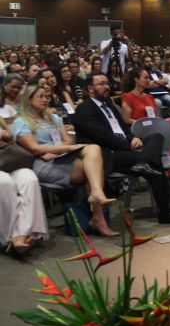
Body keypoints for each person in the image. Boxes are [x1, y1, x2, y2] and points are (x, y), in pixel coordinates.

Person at [72, 73, 170, 224]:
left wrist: (133, 138)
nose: (107, 87)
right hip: (108, 154)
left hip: (125, 148)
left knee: (156, 137)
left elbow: (123, 129)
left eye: (107, 83)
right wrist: (128, 145)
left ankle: (144, 163)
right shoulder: (84, 109)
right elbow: (102, 137)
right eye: (101, 84)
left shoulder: (109, 106)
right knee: (155, 165)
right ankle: (165, 211)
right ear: (90, 89)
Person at [12, 84, 118, 237]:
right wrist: (63, 149)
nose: (45, 100)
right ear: (28, 100)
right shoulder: (21, 122)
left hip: (60, 157)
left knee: (94, 149)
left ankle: (96, 196)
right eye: (40, 96)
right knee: (94, 168)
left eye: (47, 97)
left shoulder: (53, 117)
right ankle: (98, 215)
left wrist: (59, 150)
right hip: (43, 163)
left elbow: (68, 140)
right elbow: (34, 148)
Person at [0, 120, 48, 255]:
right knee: (4, 182)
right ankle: (9, 236)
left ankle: (26, 233)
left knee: (29, 179)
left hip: (8, 161)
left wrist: (8, 136)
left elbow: (14, 140)